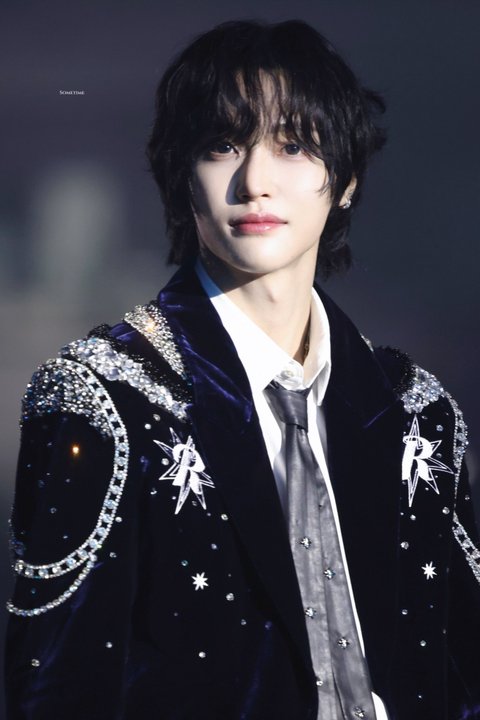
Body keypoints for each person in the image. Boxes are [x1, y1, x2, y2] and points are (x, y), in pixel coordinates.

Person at [5, 19, 480, 720]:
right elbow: (57, 690)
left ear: (346, 179)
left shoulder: (419, 414)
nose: (255, 182)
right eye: (222, 146)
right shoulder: (101, 401)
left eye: (292, 146)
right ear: (182, 177)